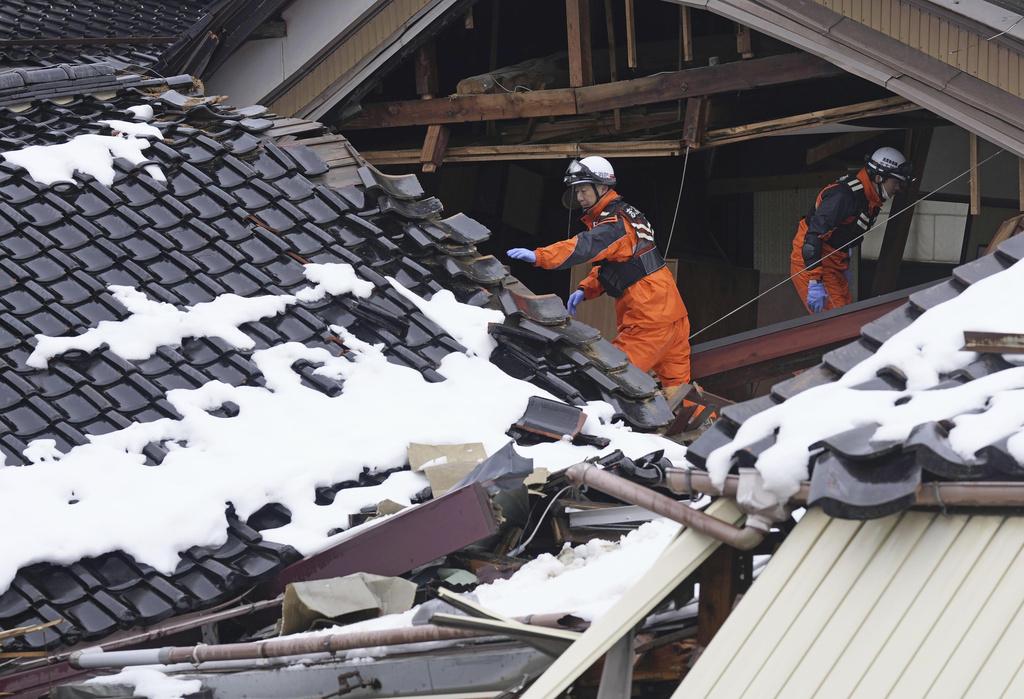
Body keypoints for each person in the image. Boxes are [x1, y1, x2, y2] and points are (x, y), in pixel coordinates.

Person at [506, 156, 691, 401]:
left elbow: (584, 246)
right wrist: (587, 288)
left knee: (612, 380)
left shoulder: (613, 224)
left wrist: (540, 256)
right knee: (679, 394)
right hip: (672, 314)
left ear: (602, 187)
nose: (579, 197)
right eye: (576, 191)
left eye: (583, 189)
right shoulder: (627, 215)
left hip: (649, 319)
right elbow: (621, 262)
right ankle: (700, 436)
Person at [790, 146, 913, 313]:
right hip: (813, 262)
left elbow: (848, 231)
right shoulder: (844, 196)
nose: (898, 188)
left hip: (834, 262)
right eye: (896, 182)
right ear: (879, 177)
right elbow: (812, 239)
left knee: (846, 313)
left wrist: (845, 259)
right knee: (837, 323)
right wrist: (814, 281)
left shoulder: (869, 197)